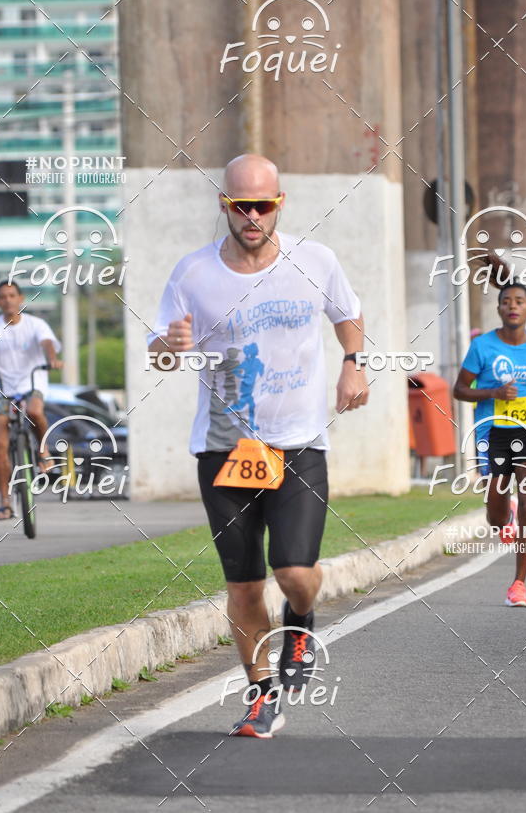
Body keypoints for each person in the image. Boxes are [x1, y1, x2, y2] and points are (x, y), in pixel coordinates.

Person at [148, 154, 368, 737]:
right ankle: (261, 695)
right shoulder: (193, 273)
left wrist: (353, 364)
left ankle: (301, 618)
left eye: (262, 206)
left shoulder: (315, 261)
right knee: (244, 584)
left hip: (298, 446)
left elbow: (349, 314)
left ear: (279, 204)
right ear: (224, 204)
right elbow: (161, 352)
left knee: (295, 572)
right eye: (240, 205)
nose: (251, 216)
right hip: (225, 450)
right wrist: (169, 346)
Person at [453, 261, 526, 608]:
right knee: (496, 517)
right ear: (499, 309)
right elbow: (459, 389)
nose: (513, 306)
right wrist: (493, 393)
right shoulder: (482, 346)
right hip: (493, 432)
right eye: (506, 302)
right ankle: (507, 514)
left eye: (519, 301)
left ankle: (518, 585)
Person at [0, 281, 62, 521]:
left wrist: (52, 359)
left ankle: (43, 450)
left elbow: (47, 343)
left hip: (31, 385)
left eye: (12, 295)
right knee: (0, 442)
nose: (8, 300)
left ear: (20, 298)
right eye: (3, 296)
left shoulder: (36, 324)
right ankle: (5, 502)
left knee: (35, 412)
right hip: (1, 391)